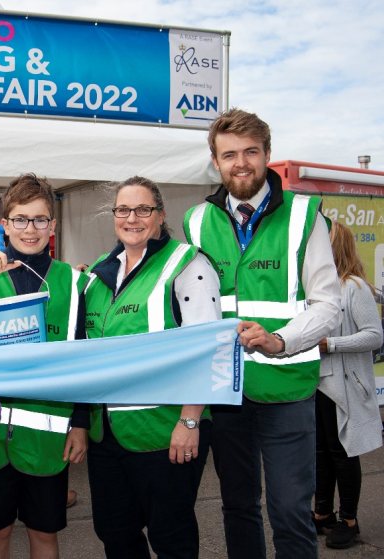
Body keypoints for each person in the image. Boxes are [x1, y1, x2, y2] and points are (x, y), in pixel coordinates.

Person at [183, 108, 341, 558]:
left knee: (290, 510)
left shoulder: (303, 216)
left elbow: (328, 302)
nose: (241, 163)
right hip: (227, 390)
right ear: (216, 162)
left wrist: (281, 341)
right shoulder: (196, 220)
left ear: (267, 154)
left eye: (251, 151)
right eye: (229, 154)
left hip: (287, 386)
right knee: (238, 507)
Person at [84, 176, 221, 558]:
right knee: (115, 533)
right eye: (124, 210)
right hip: (108, 435)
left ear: (160, 215)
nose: (133, 218)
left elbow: (206, 349)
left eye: (143, 209)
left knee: (170, 536)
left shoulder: (187, 263)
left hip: (166, 431)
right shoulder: (98, 273)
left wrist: (190, 421)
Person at [0, 174, 93, 559]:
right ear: (4, 224)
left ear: (52, 224)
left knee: (44, 534)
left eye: (39, 219)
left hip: (47, 436)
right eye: (20, 219)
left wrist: (81, 422)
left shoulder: (73, 281)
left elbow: (81, 357)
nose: (29, 229)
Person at [313, 222, 383, 549]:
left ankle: (350, 520)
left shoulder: (353, 287)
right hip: (318, 383)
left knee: (342, 453)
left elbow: (374, 335)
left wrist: (332, 344)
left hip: (345, 386)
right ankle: (322, 513)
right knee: (322, 453)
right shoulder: (319, 290)